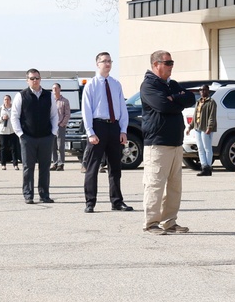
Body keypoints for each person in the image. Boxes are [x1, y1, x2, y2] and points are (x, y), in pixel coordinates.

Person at [140, 50, 196, 233]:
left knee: (174, 186)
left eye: (172, 62)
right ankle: (151, 223)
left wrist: (175, 98)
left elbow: (190, 98)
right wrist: (174, 100)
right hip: (157, 143)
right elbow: (163, 105)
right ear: (156, 64)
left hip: (175, 143)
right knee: (155, 185)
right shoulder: (149, 86)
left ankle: (169, 222)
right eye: (168, 63)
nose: (172, 66)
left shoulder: (171, 84)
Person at [82, 53, 134, 213]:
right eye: (104, 61)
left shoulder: (116, 84)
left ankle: (117, 201)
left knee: (115, 167)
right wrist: (90, 132)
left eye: (109, 61)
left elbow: (122, 109)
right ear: (97, 64)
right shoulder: (91, 85)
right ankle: (90, 202)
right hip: (98, 127)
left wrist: (123, 130)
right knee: (93, 167)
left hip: (114, 127)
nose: (108, 64)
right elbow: (86, 110)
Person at [11, 69, 59, 204]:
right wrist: (20, 134)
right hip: (28, 137)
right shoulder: (21, 96)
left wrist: (53, 133)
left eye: (37, 78)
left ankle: (44, 195)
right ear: (27, 80)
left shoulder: (48, 96)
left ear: (40, 79)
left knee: (45, 167)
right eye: (32, 78)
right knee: (28, 167)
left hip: (46, 137)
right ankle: (28, 195)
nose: (35, 80)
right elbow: (14, 116)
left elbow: (54, 115)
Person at [186, 85, 218, 176]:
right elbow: (195, 116)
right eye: (200, 90)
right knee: (200, 148)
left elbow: (212, 116)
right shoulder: (198, 102)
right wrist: (190, 127)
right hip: (198, 128)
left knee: (207, 148)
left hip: (206, 128)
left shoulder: (211, 102)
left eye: (204, 90)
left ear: (208, 91)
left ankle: (208, 167)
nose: (202, 91)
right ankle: (204, 166)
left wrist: (209, 127)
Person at [51, 83, 71, 171]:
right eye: (53, 88)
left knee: (60, 146)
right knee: (52, 146)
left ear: (60, 89)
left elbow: (67, 114)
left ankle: (61, 163)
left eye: (56, 88)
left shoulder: (65, 101)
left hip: (60, 126)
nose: (54, 90)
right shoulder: (50, 100)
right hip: (51, 127)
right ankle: (54, 163)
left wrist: (62, 124)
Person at [0, 95, 18, 170]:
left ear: (10, 100)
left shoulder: (14, 108)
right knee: (4, 148)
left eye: (8, 99)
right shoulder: (0, 109)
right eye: (5, 99)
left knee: (14, 148)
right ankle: (3, 164)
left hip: (13, 131)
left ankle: (15, 164)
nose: (6, 101)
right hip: (3, 131)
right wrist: (2, 118)